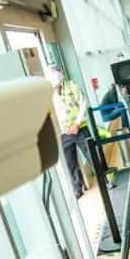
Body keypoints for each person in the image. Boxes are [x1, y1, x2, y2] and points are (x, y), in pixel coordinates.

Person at [47, 66, 90, 198]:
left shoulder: (72, 86)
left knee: (92, 155)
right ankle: (78, 187)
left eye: (58, 86)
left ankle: (106, 179)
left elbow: (83, 104)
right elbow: (53, 113)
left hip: (80, 129)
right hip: (65, 134)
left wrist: (76, 123)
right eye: (55, 87)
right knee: (70, 162)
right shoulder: (50, 93)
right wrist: (62, 128)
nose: (57, 89)